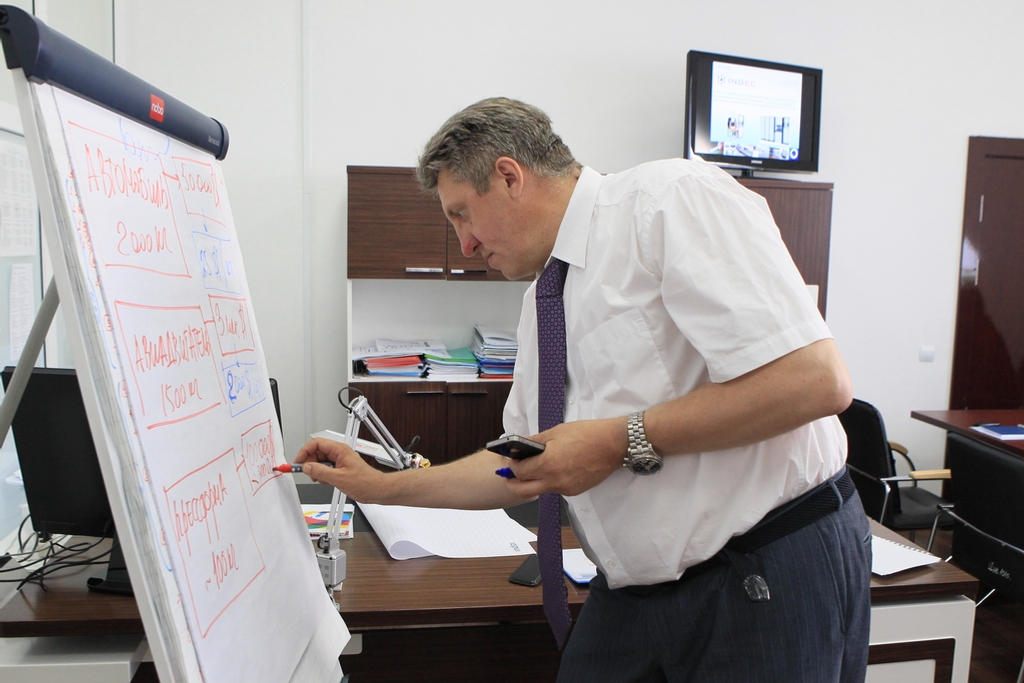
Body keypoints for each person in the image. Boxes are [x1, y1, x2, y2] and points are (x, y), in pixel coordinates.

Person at [298, 97, 871, 682]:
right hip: (635, 591)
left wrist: (619, 440)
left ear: (509, 176)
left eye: (462, 215)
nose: (465, 244)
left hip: (761, 565)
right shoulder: (542, 303)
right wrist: (384, 487)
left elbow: (814, 381)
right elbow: (519, 464)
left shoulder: (667, 201)